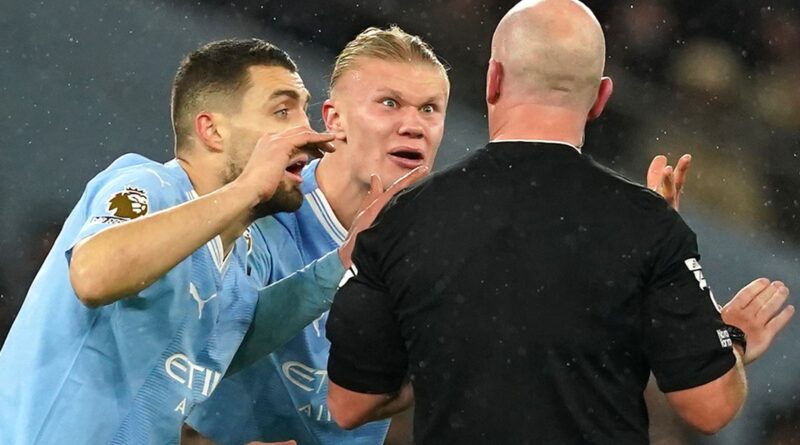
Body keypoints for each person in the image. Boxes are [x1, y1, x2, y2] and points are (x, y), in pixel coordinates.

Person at [324, 1, 795, 444]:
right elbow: (709, 408)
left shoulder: (405, 217)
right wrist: (729, 340)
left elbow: (348, 402)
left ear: (493, 79)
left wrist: (448, 360)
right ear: (601, 97)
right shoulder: (648, 226)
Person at [0, 38, 401, 445]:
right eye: (282, 111)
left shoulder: (243, 255)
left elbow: (233, 346)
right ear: (212, 131)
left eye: (303, 109)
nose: (306, 131)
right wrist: (247, 189)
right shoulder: (148, 185)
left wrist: (342, 260)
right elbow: (91, 276)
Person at [185, 26, 448, 445]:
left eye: (430, 109)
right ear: (334, 120)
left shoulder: (438, 249)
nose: (413, 126)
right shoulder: (262, 211)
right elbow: (174, 358)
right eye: (389, 103)